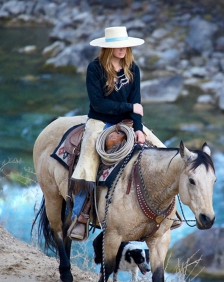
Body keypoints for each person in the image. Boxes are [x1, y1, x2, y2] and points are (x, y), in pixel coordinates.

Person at [68, 26, 180, 241]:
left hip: (128, 122)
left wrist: (138, 128)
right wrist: (129, 108)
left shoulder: (133, 69)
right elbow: (98, 103)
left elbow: (136, 103)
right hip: (100, 121)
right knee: (87, 162)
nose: (122, 49)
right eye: (117, 46)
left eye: (124, 45)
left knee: (165, 152)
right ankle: (80, 216)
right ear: (108, 48)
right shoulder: (95, 69)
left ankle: (170, 212)